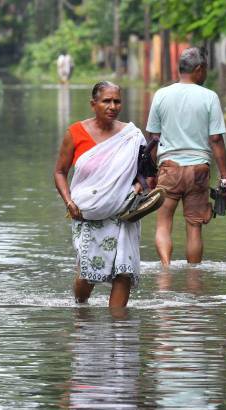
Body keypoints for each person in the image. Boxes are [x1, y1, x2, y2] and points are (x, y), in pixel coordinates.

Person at [53, 81, 147, 308]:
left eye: (117, 101)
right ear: (93, 104)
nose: (113, 106)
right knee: (87, 273)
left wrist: (138, 189)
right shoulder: (75, 133)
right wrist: (68, 202)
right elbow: (59, 172)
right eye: (107, 101)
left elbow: (147, 175)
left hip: (123, 213)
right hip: (86, 215)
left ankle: (118, 329)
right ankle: (81, 310)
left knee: (122, 272)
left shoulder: (132, 137)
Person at [146, 47, 226, 267]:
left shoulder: (161, 95)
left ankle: (165, 269)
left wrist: (151, 173)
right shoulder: (210, 97)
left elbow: (153, 138)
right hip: (198, 172)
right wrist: (224, 178)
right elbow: (216, 140)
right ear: (199, 69)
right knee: (194, 227)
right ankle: (194, 278)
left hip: (168, 168)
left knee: (164, 224)